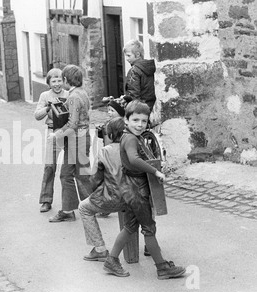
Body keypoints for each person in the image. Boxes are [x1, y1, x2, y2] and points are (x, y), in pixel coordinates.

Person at [103, 100, 186, 279]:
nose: (140, 124)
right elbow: (133, 159)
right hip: (136, 190)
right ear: (126, 120)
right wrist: (155, 171)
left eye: (143, 121)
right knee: (149, 228)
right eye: (135, 120)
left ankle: (111, 260)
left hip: (131, 188)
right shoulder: (131, 138)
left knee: (130, 226)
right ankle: (162, 267)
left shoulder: (130, 136)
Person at [48, 64, 93, 223]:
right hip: (84, 137)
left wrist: (57, 134)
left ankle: (68, 211)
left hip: (76, 140)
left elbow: (73, 124)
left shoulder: (73, 96)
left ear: (66, 80)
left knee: (66, 174)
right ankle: (96, 206)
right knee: (83, 174)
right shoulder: (83, 93)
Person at [79, 117, 126, 261]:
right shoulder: (133, 148)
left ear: (110, 135)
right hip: (133, 196)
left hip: (112, 198)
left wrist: (93, 192)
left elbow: (95, 179)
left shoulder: (105, 151)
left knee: (83, 207)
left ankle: (100, 249)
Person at [34, 68, 69, 213]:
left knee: (72, 169)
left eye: (59, 80)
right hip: (52, 132)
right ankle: (46, 200)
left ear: (64, 81)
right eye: (53, 81)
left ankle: (77, 201)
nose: (57, 84)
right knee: (50, 167)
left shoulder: (68, 94)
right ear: (48, 82)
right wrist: (48, 107)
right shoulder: (44, 95)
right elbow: (37, 115)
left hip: (67, 132)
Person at [123, 39, 156, 112]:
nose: (127, 59)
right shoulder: (148, 67)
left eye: (129, 55)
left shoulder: (134, 70)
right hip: (149, 103)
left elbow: (133, 93)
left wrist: (131, 107)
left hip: (138, 106)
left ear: (137, 55)